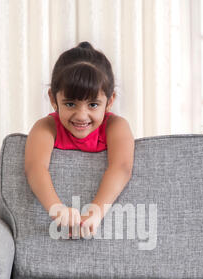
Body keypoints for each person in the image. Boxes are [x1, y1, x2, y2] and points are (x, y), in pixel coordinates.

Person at [25, 41, 135, 238]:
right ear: (53, 98)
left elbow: (121, 167)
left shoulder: (116, 127)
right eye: (70, 104)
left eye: (93, 104)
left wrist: (95, 212)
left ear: (110, 101)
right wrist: (57, 209)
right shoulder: (45, 128)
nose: (81, 115)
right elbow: (35, 168)